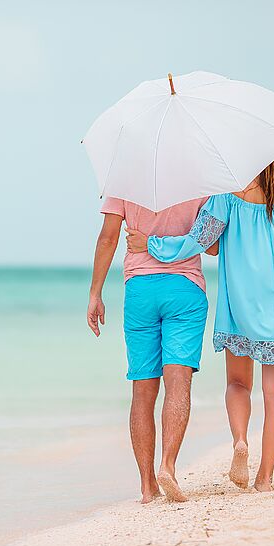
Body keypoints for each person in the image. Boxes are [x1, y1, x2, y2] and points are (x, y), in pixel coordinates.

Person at [126, 162, 274, 492]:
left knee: (237, 383)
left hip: (243, 303)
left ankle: (240, 440)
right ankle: (264, 478)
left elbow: (197, 240)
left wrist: (151, 244)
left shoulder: (229, 195)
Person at [88, 195, 215, 503]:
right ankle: (168, 467)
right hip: (185, 287)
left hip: (140, 290)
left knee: (143, 390)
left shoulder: (123, 180)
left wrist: (95, 293)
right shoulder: (198, 180)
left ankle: (147, 487)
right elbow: (211, 245)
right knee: (178, 381)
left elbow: (108, 238)